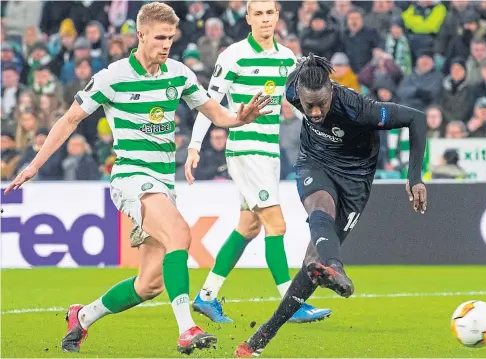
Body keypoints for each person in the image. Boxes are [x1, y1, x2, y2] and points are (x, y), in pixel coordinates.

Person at [4, 2, 272, 355]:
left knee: (149, 285)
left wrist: (240, 118)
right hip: (131, 177)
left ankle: (82, 317)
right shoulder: (112, 76)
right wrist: (35, 165)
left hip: (163, 183)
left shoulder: (178, 73)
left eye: (171, 38)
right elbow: (69, 120)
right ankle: (186, 329)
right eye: (160, 37)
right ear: (140, 35)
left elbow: (213, 112)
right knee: (180, 234)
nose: (166, 45)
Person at [234, 54, 428, 357]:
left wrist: (414, 176)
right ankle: (336, 267)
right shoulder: (292, 91)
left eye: (321, 104)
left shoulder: (358, 108)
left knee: (312, 263)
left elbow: (417, 118)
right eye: (307, 104)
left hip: (355, 179)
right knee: (319, 206)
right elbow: (300, 76)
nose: (314, 112)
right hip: (316, 163)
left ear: (331, 90)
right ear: (297, 93)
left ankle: (260, 338)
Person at [184, 0, 330, 324]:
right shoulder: (233, 56)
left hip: (269, 152)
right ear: (248, 17)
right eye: (258, 13)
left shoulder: (286, 58)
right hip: (246, 150)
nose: (265, 19)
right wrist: (194, 145)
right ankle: (291, 304)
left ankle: (206, 296)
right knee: (276, 225)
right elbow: (209, 103)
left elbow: (299, 105)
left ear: (277, 16)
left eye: (270, 13)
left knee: (248, 226)